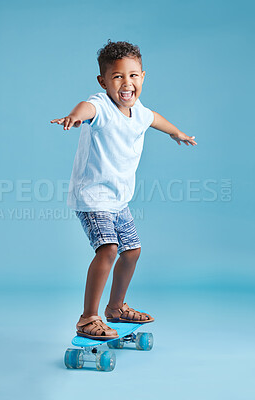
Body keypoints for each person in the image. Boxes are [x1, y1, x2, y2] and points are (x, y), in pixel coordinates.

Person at [51, 40, 197, 340]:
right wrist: (75, 115)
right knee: (109, 249)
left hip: (119, 200)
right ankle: (87, 318)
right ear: (103, 81)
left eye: (133, 76)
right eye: (118, 77)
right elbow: (87, 106)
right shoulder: (102, 107)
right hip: (93, 198)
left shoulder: (139, 111)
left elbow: (154, 118)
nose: (127, 83)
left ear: (142, 77)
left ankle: (115, 308)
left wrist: (176, 132)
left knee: (132, 251)